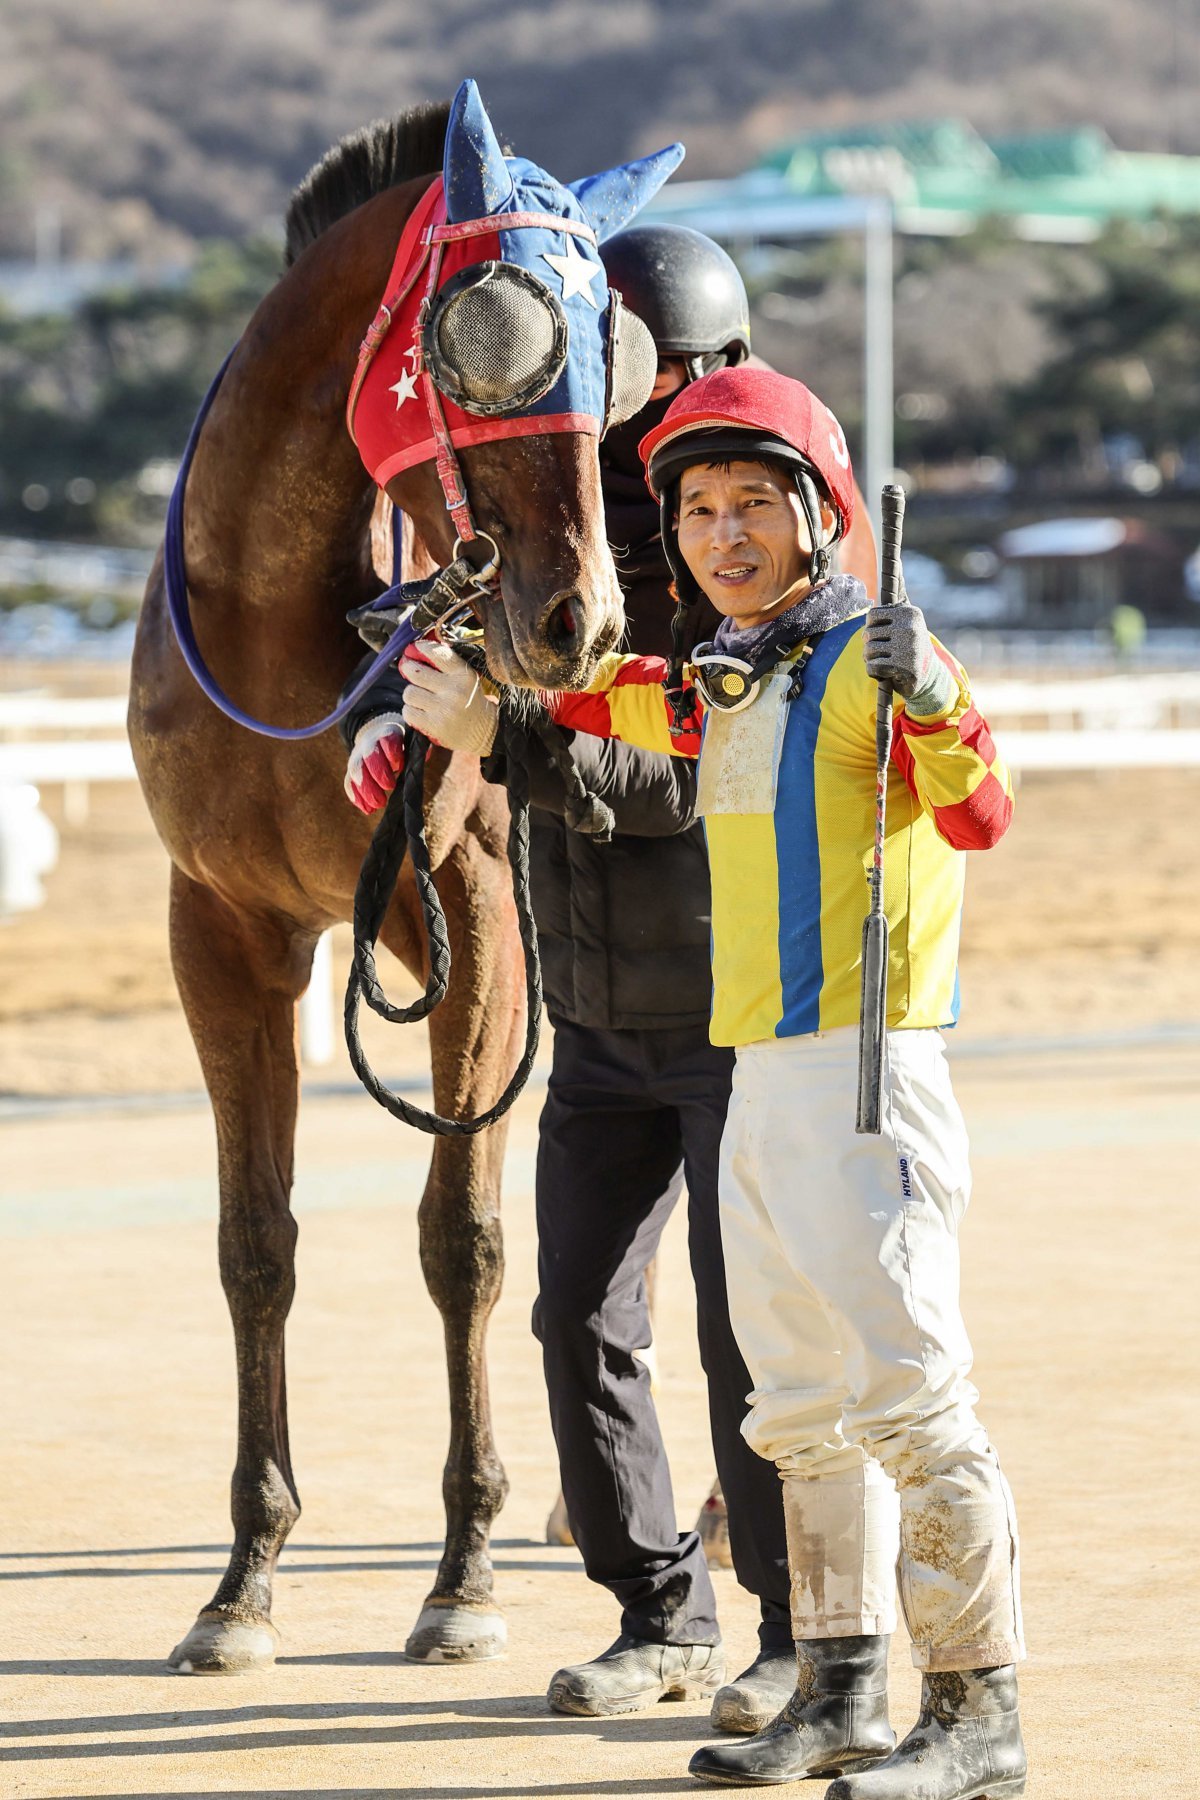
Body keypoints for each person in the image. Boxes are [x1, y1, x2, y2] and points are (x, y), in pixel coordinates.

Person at [403, 364, 1027, 1799]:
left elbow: (984, 815)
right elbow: (603, 698)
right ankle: (844, 1687)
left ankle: (978, 1717)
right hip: (758, 1081)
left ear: (824, 514)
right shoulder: (727, 677)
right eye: (697, 508)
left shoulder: (875, 653)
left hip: (871, 1072)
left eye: (755, 503)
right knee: (797, 1401)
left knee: (912, 1395)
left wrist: (934, 696)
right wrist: (478, 695)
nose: (722, 533)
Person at [342, 225, 801, 1734]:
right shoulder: (572, 553)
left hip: (738, 1014)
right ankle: (657, 1612)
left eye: (632, 377)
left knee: (752, 1345)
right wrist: (410, 727)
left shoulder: (742, 583)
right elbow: (476, 696)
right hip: (597, 1012)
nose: (615, 416)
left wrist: (508, 735)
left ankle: (796, 1634)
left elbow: (695, 775)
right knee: (578, 1326)